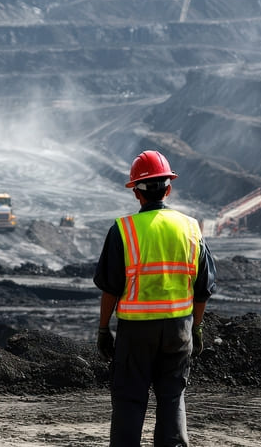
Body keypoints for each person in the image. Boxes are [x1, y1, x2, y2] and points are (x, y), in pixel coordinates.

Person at [94, 149, 217, 447]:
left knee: (128, 401)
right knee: (172, 397)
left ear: (137, 193)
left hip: (135, 333)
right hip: (178, 330)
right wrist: (197, 328)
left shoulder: (123, 230)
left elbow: (110, 288)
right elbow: (203, 289)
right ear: (168, 188)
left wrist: (103, 329)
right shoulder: (190, 228)